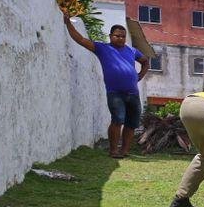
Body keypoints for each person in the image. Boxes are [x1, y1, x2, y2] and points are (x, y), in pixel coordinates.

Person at [63, 18, 147, 158]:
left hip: (133, 93)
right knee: (117, 120)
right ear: (110, 36)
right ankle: (113, 151)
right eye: (117, 36)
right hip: (115, 93)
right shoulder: (102, 48)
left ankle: (124, 151)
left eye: (123, 36)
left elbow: (145, 62)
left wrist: (139, 76)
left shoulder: (132, 51)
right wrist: (68, 23)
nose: (120, 38)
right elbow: (80, 39)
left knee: (132, 123)